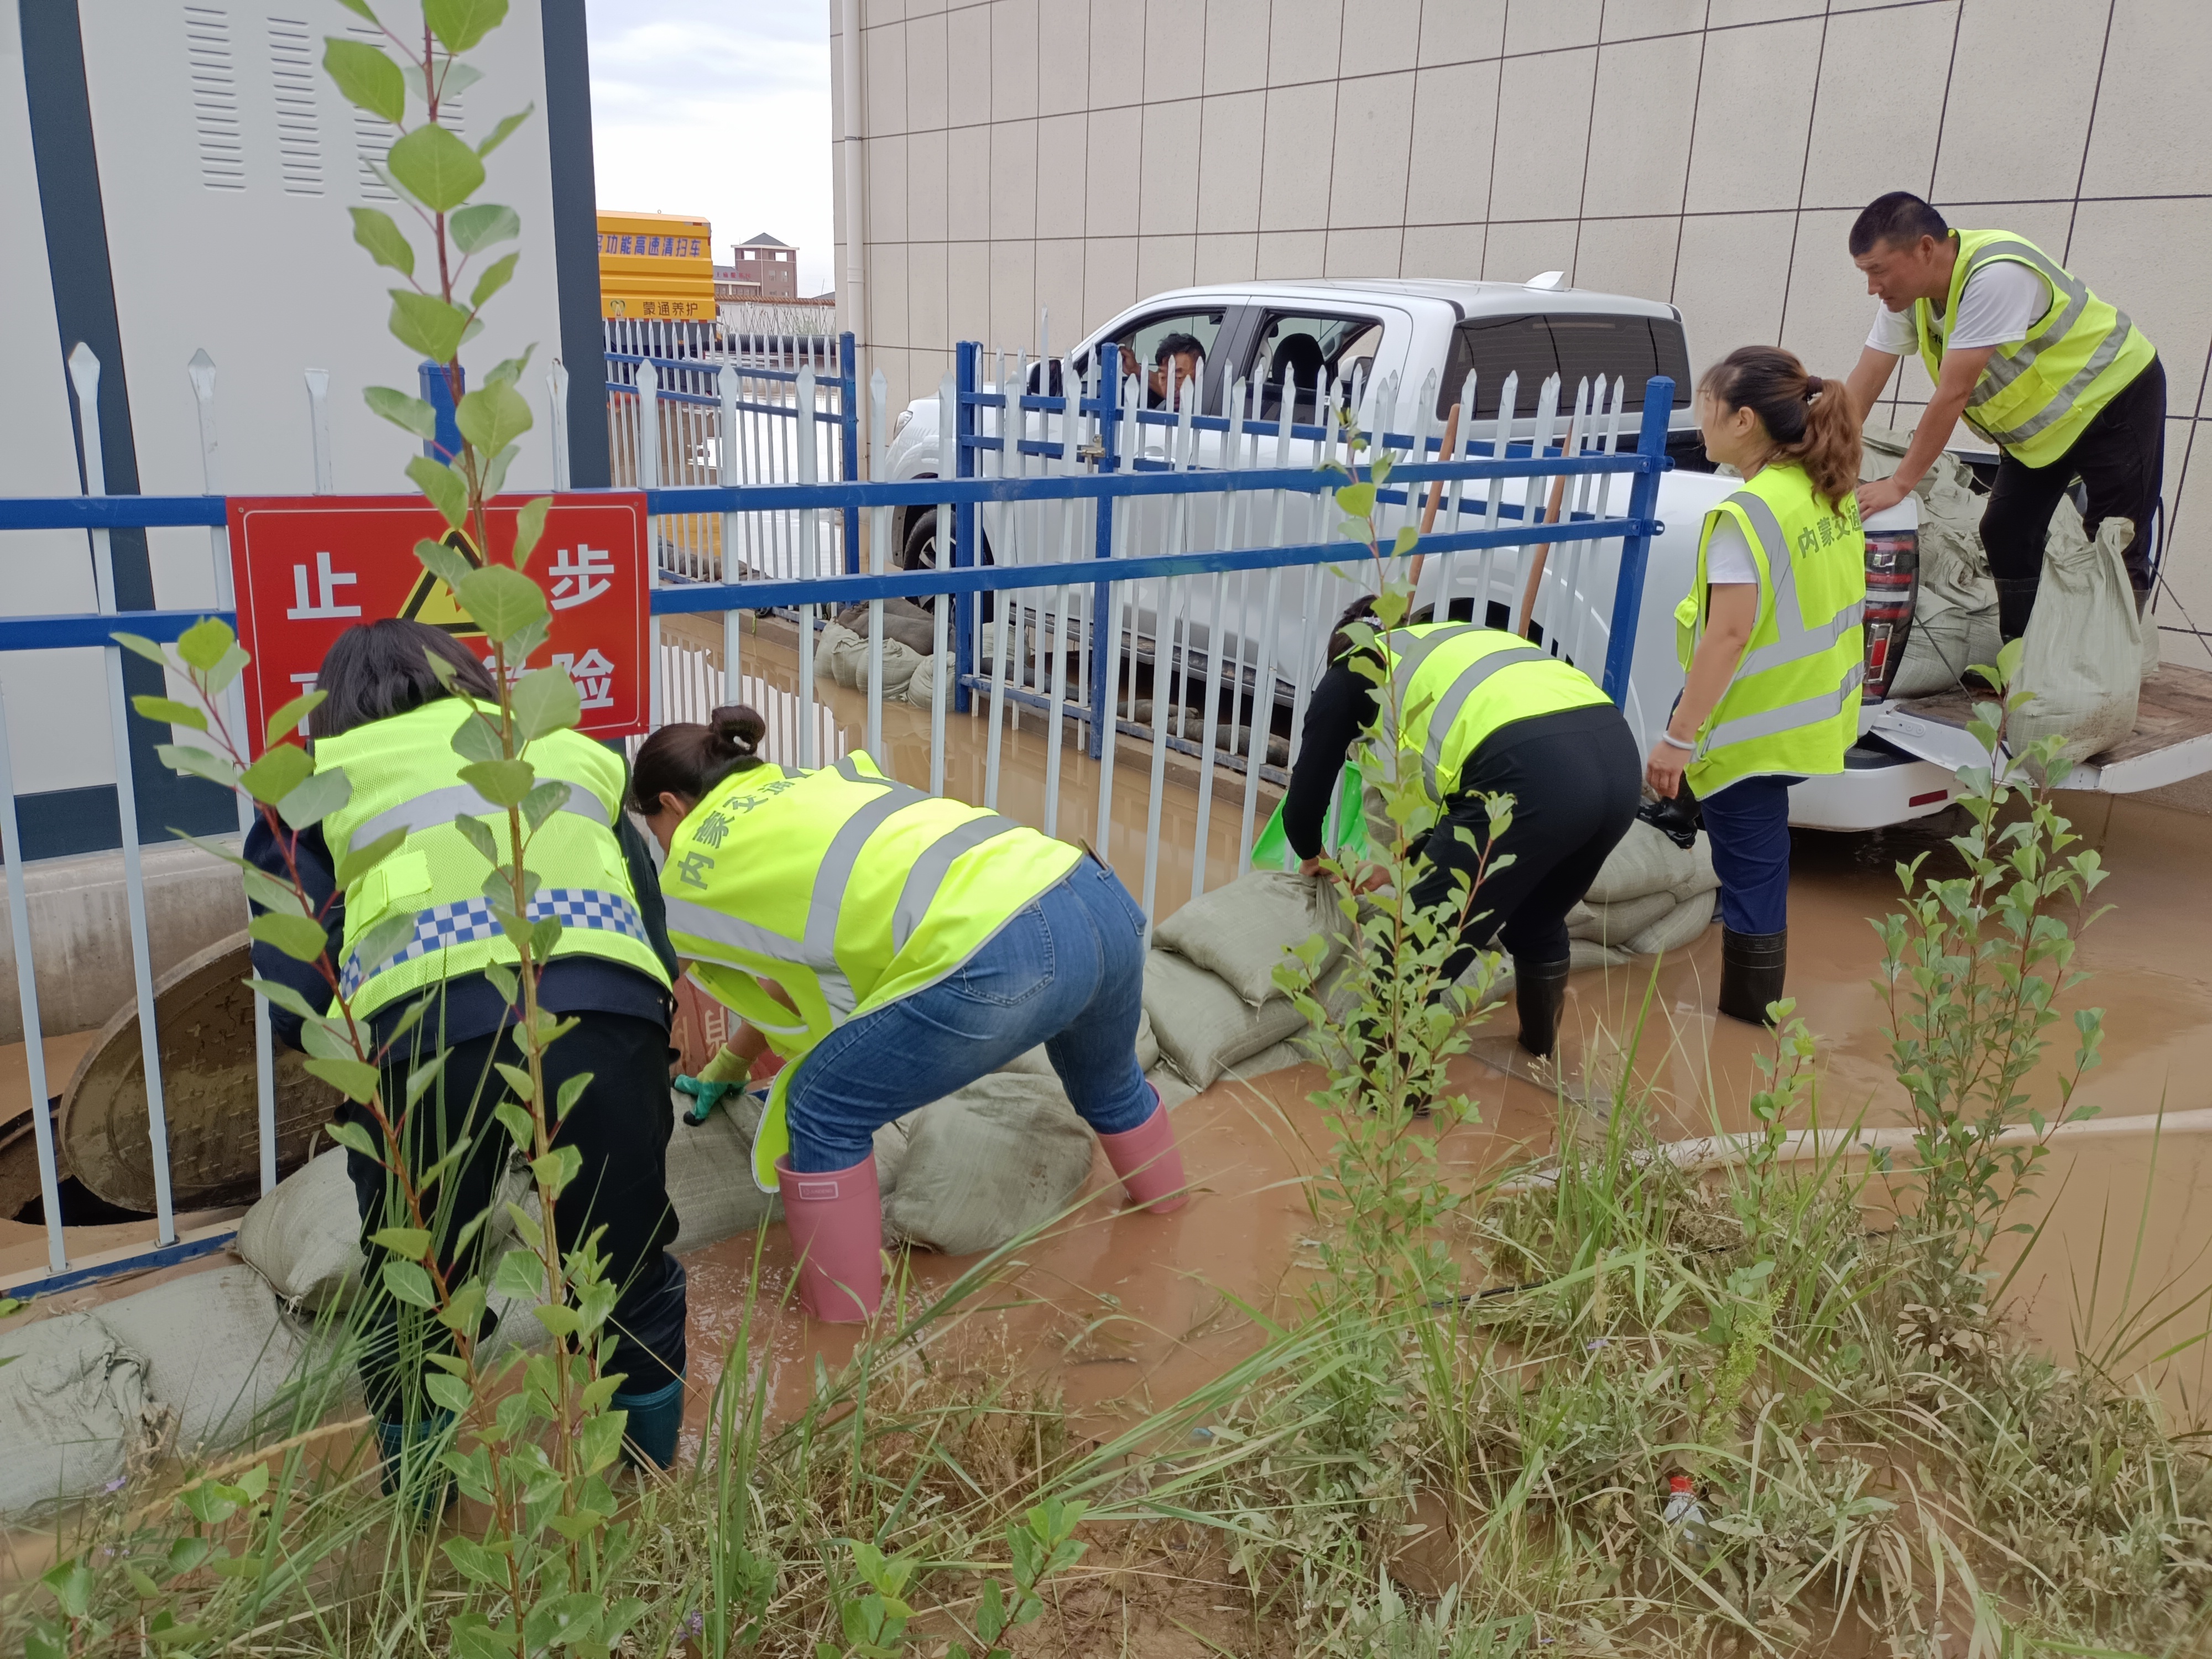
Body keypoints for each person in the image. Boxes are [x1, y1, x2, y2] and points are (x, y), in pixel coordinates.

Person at [245, 619, 688, 1481]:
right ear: (469, 679)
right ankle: (653, 1489)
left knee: (423, 1288)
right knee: (627, 1263)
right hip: (608, 1010)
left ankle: (425, 1516)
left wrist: (364, 1075)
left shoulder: (309, 783)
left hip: (422, 1038)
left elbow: (297, 988)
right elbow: (652, 926)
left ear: (335, 708)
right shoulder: (571, 750)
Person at [632, 709, 1186, 1324]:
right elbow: (794, 970)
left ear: (671, 806)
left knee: (821, 1108)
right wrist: (732, 1063)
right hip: (1095, 896)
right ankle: (1173, 1240)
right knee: (1112, 1090)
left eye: (654, 829)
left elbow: (650, 981)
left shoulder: (696, 863)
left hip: (1002, 954)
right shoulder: (814, 785)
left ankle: (843, 1334)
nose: (661, 844)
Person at [1282, 600, 1641, 1061]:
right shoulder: (1444, 647)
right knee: (1537, 923)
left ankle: (1388, 1102)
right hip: (1619, 761)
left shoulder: (1351, 670)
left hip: (1531, 773)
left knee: (1410, 970)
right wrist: (1400, 867)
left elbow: (1304, 802)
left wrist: (1311, 854)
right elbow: (1458, 805)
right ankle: (1540, 1066)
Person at [1646, 347, 1866, 1025]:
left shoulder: (1747, 514)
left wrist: (1677, 739)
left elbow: (1729, 636)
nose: (1699, 423)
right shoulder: (1822, 491)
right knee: (1757, 862)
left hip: (1752, 727)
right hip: (1813, 711)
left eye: (1707, 408)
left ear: (1743, 420)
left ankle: (1748, 1026)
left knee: (1754, 880)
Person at [1843, 191, 2163, 639]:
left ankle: (2109, 670)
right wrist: (1820, 462)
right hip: (2043, 433)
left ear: (1925, 249)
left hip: (2115, 397)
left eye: (1878, 271)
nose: (1872, 287)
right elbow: (1863, 385)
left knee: (2115, 542)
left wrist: (1899, 484)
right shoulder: (1909, 299)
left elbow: (1953, 394)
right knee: (2006, 532)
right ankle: (2023, 656)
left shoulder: (1995, 275)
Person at [1120, 332, 1205, 410]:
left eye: (1179, 377)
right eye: (1163, 377)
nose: (1171, 388)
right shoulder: (1160, 410)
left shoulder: (1207, 409)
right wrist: (1135, 370)